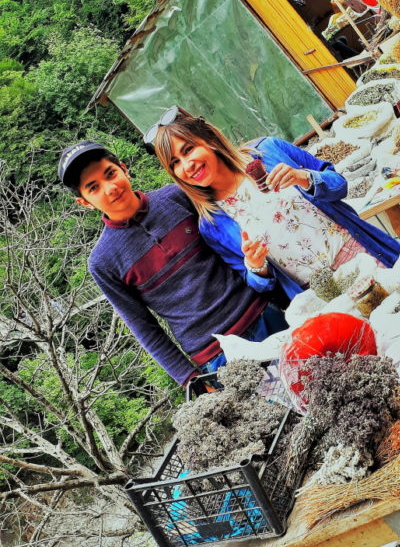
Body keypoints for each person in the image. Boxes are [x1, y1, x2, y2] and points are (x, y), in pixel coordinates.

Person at [58, 140, 290, 384]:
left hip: (264, 312)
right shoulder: (102, 262)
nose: (110, 188)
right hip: (218, 355)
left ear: (123, 168)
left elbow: (232, 242)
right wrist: (190, 379)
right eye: (93, 188)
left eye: (110, 174)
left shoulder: (176, 197)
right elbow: (144, 327)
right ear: (84, 202)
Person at [148, 109, 400, 300]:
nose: (187, 165)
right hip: (324, 297)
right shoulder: (212, 224)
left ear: (210, 141)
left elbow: (339, 184)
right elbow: (258, 286)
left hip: (365, 257)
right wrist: (256, 266)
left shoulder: (269, 151)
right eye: (175, 163)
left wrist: (305, 178)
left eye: (188, 149)